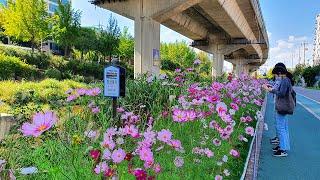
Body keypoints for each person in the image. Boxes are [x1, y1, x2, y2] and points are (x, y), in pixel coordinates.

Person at [263, 64, 295, 157]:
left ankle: (283, 150)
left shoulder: (285, 80)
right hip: (283, 106)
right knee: (283, 127)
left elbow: (281, 93)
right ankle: (282, 146)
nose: (275, 77)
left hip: (283, 107)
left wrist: (269, 90)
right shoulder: (286, 80)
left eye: (276, 75)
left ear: (280, 73)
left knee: (281, 128)